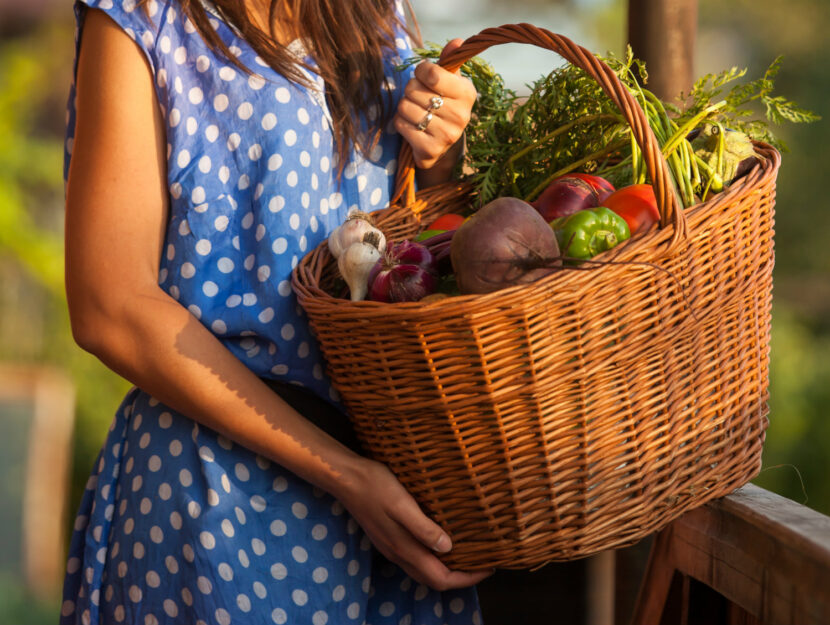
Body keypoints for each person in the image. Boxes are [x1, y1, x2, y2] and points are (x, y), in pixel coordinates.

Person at [59, 0, 487, 623]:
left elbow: (401, 243)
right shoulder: (145, 16)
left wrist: (439, 151)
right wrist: (345, 475)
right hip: (217, 500)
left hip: (392, 506)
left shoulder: (375, 13)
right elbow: (110, 304)